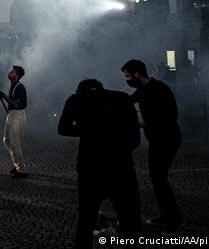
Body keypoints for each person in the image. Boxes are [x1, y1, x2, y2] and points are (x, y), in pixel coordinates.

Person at [58, 79, 141, 249]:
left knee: (86, 219)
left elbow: (63, 129)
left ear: (79, 90)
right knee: (129, 217)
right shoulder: (123, 98)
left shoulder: (75, 100)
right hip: (121, 166)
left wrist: (88, 131)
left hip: (90, 167)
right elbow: (135, 137)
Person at [122, 59, 183, 236]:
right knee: (157, 178)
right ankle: (166, 215)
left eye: (127, 76)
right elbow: (126, 101)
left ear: (137, 74)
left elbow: (167, 117)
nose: (127, 80)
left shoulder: (159, 90)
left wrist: (133, 123)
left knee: (159, 179)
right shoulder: (142, 90)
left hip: (167, 139)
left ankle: (175, 220)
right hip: (157, 139)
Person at [0, 65, 28, 179]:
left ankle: (21, 168)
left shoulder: (20, 87)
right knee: (7, 140)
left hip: (17, 115)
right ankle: (17, 163)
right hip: (12, 114)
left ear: (17, 75)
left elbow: (17, 104)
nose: (10, 72)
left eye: (13, 71)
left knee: (14, 142)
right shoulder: (13, 85)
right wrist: (4, 97)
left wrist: (4, 96)